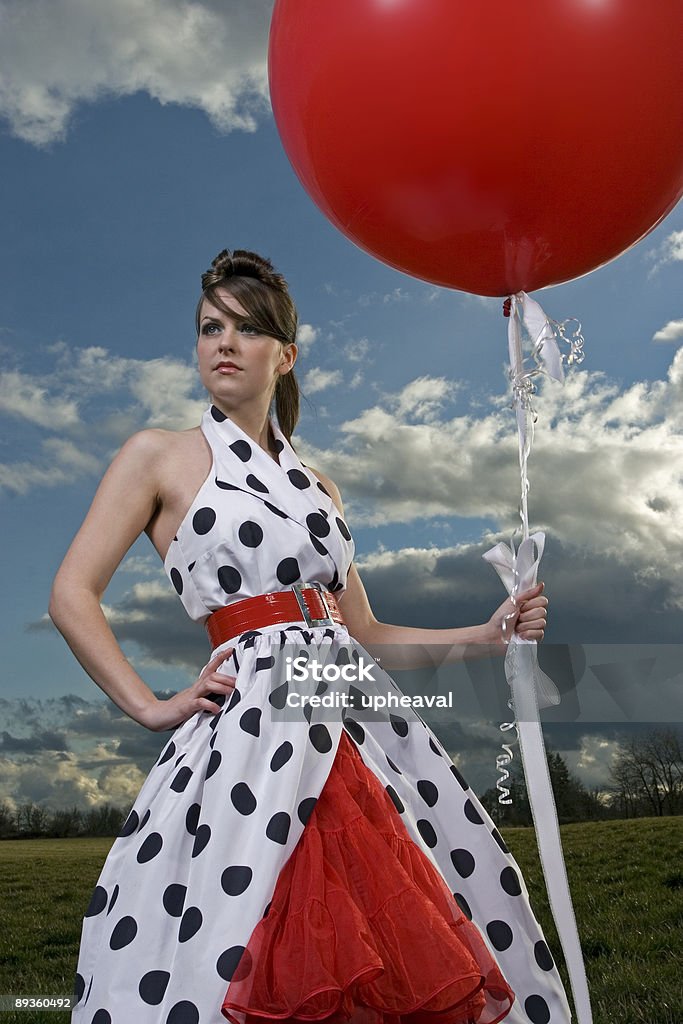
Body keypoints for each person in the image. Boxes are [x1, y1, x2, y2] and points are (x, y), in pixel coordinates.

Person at [51, 248, 571, 1024]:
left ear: (284, 355)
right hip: (253, 731)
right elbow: (70, 593)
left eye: (247, 329)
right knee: (251, 924)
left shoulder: (317, 484)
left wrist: (487, 633)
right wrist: (149, 706)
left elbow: (361, 629)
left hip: (357, 721)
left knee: (401, 921)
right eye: (209, 327)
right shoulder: (158, 455)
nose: (223, 342)